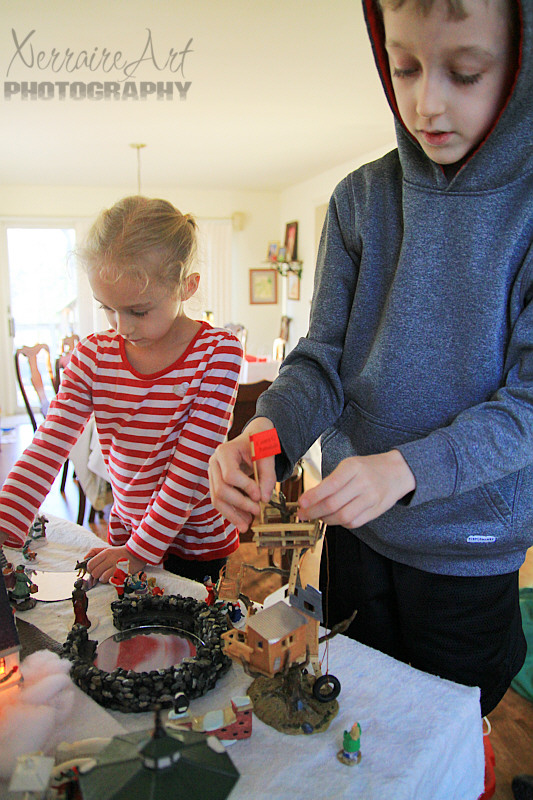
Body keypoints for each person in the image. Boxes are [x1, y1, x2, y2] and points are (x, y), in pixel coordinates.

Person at [209, 0, 532, 722]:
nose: (426, 102)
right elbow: (320, 360)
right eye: (404, 67)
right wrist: (265, 440)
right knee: (362, 705)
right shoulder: (359, 200)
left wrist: (406, 468)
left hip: (468, 545)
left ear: (519, 63)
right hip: (355, 531)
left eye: (465, 71)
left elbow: (529, 407)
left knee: (449, 723)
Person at [0, 196, 243, 583]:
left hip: (196, 545)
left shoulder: (218, 353)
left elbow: (190, 469)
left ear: (186, 286)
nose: (120, 326)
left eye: (138, 310)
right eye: (107, 308)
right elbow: (49, 444)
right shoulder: (93, 356)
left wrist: (140, 551)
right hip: (128, 532)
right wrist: (7, 521)